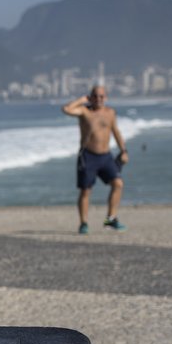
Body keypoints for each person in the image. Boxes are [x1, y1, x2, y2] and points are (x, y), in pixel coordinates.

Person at [62, 85, 129, 233]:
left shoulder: (110, 112)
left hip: (106, 156)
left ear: (106, 97)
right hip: (88, 156)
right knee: (86, 191)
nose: (99, 99)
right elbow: (66, 109)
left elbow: (116, 131)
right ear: (90, 97)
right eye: (95, 96)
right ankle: (84, 223)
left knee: (118, 184)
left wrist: (123, 150)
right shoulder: (84, 111)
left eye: (102, 96)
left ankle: (110, 220)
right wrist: (81, 100)